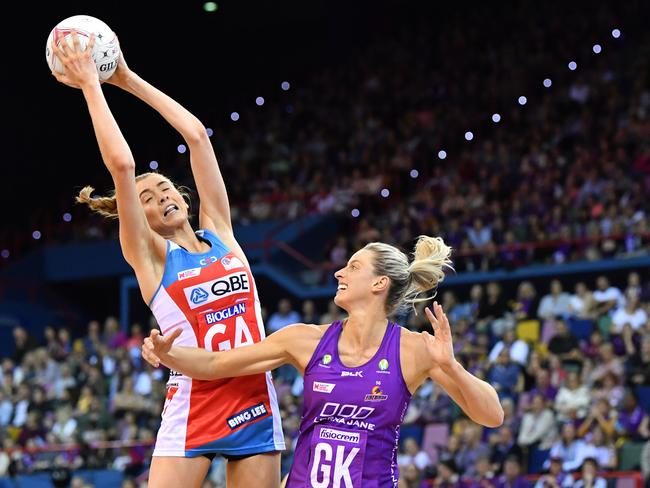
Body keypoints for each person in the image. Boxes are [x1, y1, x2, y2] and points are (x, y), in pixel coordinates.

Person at [50, 32, 283, 487]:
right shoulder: (150, 257)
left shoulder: (221, 234)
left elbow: (196, 135)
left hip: (254, 397)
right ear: (143, 218)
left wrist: (127, 78)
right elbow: (121, 166)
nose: (161, 197)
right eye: (148, 199)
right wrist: (92, 86)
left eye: (165, 189)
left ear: (183, 195)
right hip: (195, 401)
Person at [142, 236, 505, 486]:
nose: (338, 273)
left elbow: (492, 415)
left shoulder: (413, 350)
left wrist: (452, 366)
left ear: (379, 283)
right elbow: (216, 365)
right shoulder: (304, 339)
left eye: (352, 266)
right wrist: (167, 353)